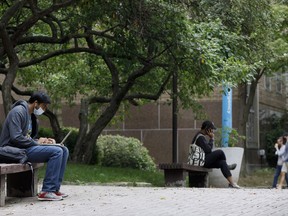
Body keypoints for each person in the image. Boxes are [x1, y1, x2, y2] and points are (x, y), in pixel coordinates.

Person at [0, 91, 69, 201]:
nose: (44, 109)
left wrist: (43, 141)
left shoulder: (30, 116)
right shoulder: (18, 112)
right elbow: (16, 138)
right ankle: (47, 191)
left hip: (23, 148)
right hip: (13, 151)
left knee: (63, 149)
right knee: (57, 152)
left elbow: (26, 138)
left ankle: (54, 189)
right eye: (44, 106)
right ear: (36, 103)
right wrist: (37, 143)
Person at [191, 120, 240, 188]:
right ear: (207, 129)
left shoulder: (201, 136)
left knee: (222, 163)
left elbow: (207, 150)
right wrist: (212, 139)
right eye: (211, 129)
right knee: (220, 152)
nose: (212, 131)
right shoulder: (200, 137)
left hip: (202, 160)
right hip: (200, 161)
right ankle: (227, 167)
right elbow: (208, 151)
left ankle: (232, 183)